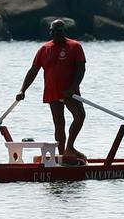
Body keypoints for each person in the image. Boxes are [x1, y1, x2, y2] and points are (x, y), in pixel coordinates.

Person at [15, 19, 87, 160]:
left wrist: (72, 88)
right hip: (52, 91)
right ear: (50, 32)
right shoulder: (44, 49)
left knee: (80, 116)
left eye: (59, 31)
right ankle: (62, 155)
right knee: (59, 123)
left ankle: (70, 147)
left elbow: (81, 69)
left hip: (69, 92)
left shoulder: (75, 46)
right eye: (53, 31)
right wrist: (22, 90)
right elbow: (33, 70)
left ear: (64, 31)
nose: (56, 34)